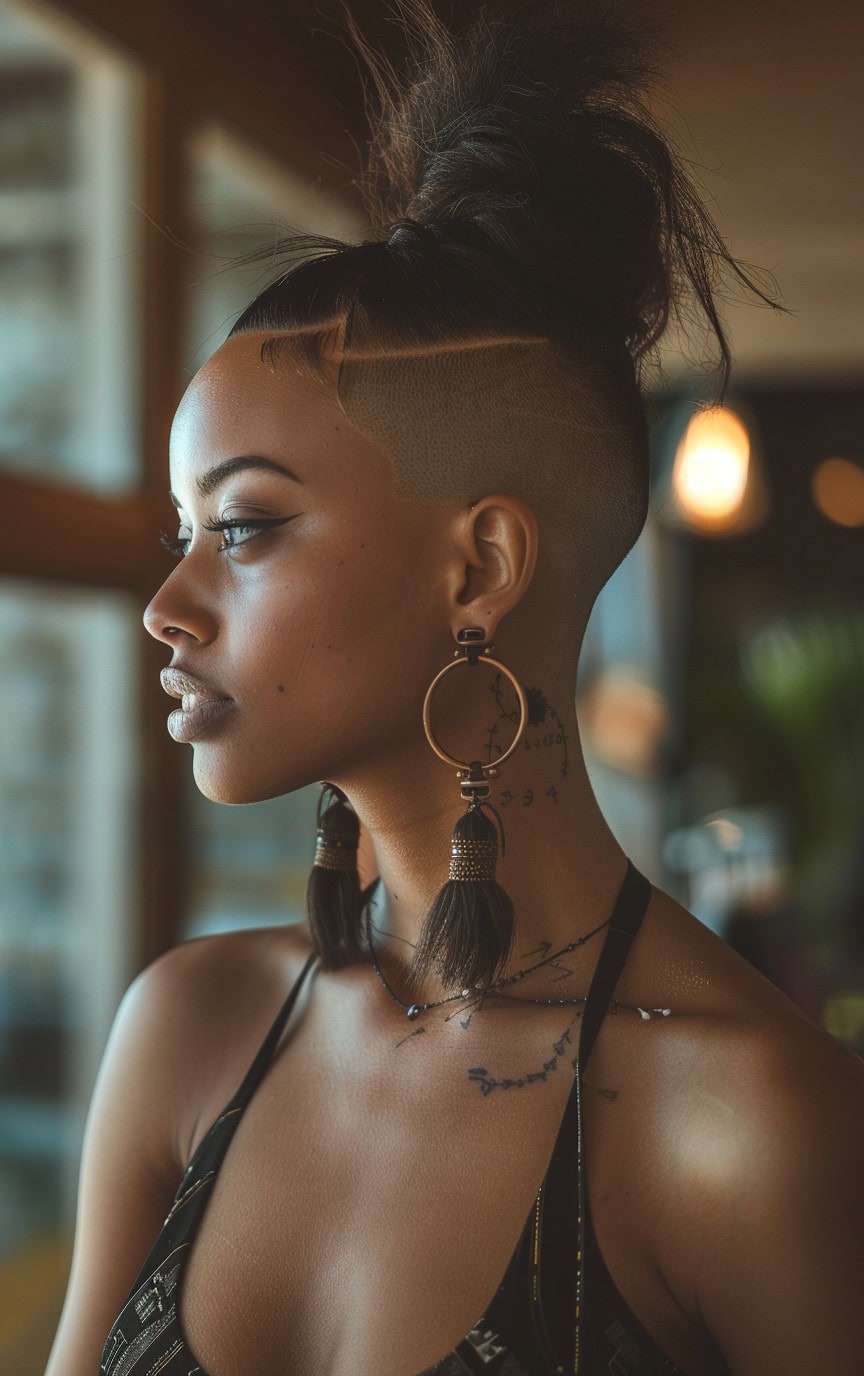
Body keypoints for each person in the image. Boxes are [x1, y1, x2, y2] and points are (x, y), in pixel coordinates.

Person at [46, 2, 864, 1373]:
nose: (167, 606)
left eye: (241, 528)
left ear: (480, 565)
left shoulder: (750, 1120)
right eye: (178, 538)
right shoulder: (185, 1033)